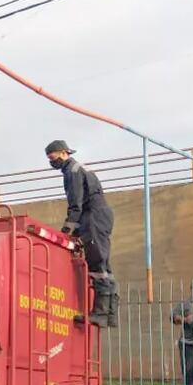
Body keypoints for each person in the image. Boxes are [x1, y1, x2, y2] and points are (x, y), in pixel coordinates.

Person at [45, 140, 118, 327]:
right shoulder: (79, 168)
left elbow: (75, 204)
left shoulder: (72, 171)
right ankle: (110, 314)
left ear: (63, 153)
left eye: (52, 157)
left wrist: (66, 230)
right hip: (99, 215)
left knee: (96, 263)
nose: (51, 162)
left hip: (93, 217)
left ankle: (100, 313)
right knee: (104, 264)